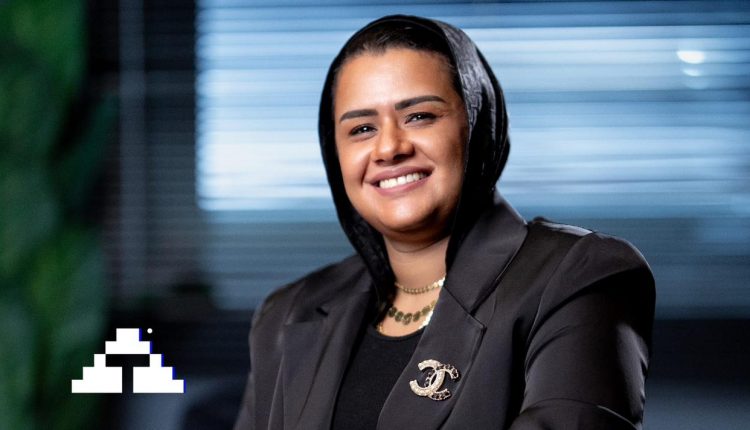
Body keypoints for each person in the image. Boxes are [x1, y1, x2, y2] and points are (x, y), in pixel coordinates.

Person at [233, 15, 655, 430]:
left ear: (477, 123)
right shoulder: (288, 312)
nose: (389, 148)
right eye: (361, 128)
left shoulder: (578, 276)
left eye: (419, 116)